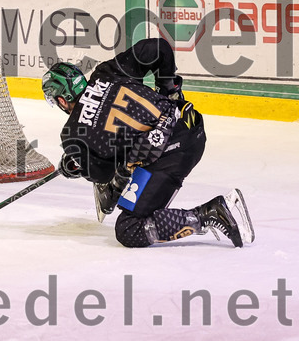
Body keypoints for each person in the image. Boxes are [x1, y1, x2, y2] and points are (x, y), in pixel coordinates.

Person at [42, 38, 254, 248]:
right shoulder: (105, 73)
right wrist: (169, 90)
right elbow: (158, 48)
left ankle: (209, 214)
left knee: (128, 228)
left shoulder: (73, 135)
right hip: (191, 125)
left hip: (173, 154)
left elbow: (105, 178)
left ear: (61, 100)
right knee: (134, 162)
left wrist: (78, 165)